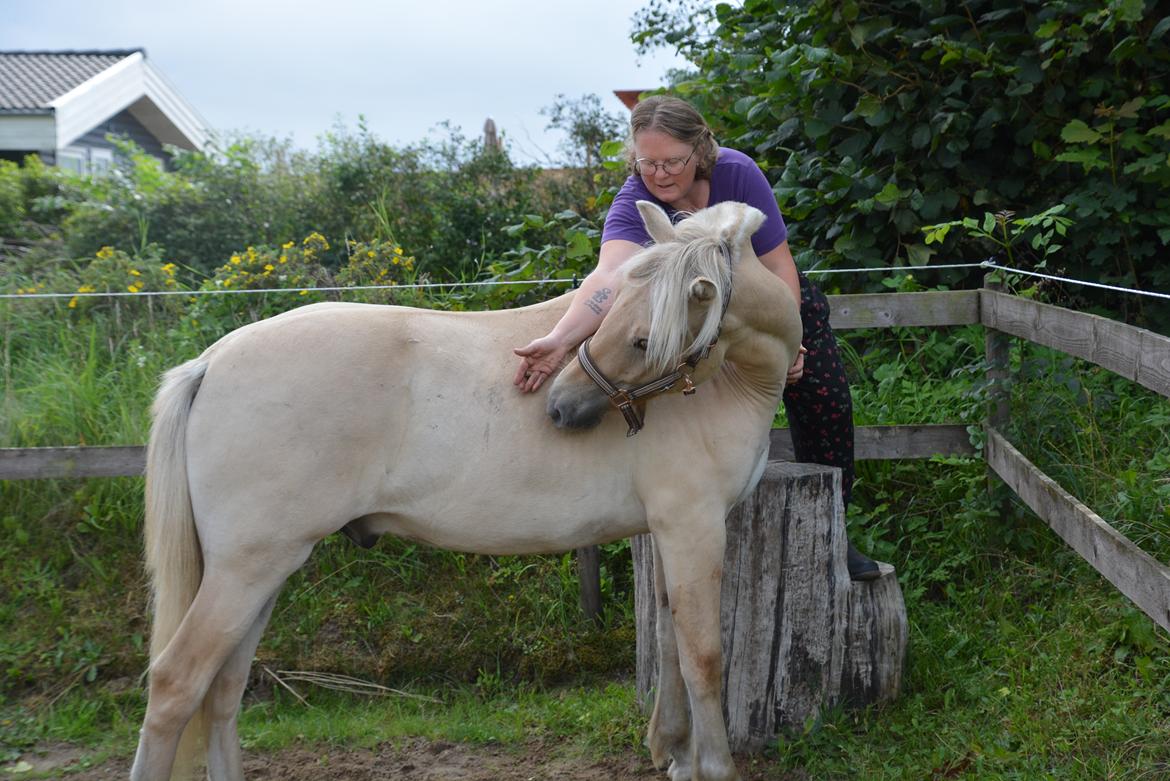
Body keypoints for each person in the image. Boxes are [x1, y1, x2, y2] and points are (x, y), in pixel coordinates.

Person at [513, 95, 879, 581]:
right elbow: (606, 280)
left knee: (827, 395)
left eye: (672, 162)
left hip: (756, 303)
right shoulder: (632, 201)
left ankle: (836, 530)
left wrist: (791, 341)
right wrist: (561, 339)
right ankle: (692, 517)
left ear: (699, 149)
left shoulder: (737, 173)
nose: (660, 175)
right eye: (647, 163)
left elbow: (777, 264)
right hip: (687, 314)